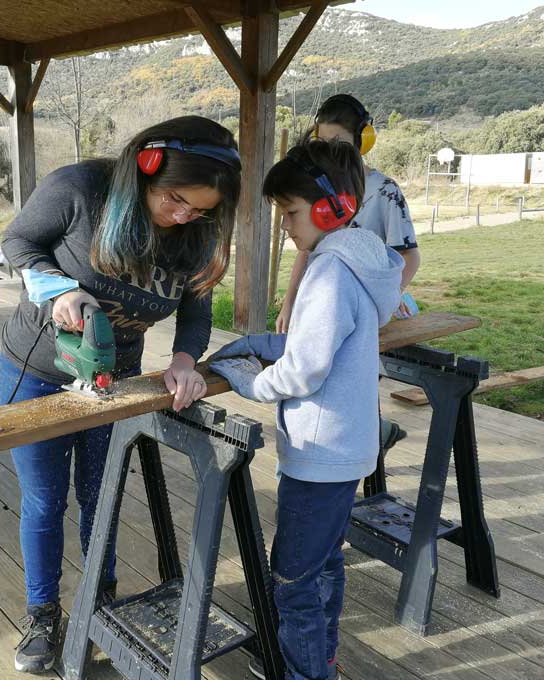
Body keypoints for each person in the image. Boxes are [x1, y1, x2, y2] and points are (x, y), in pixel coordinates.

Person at [0, 116, 241, 674]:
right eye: (176, 200)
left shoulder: (197, 230)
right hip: (36, 369)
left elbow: (196, 307)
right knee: (44, 499)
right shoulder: (80, 189)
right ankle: (43, 613)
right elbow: (19, 239)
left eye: (200, 210)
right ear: (144, 169)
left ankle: (98, 604)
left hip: (118, 377)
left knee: (100, 495)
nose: (184, 216)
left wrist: (184, 361)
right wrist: (55, 286)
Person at [209, 139, 403, 680]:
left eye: (291, 214)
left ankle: (306, 672)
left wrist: (250, 381)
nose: (286, 228)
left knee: (292, 580)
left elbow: (303, 370)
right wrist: (260, 343)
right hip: (346, 450)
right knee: (323, 565)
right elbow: (317, 342)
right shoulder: (361, 259)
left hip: (318, 457)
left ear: (329, 207)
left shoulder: (329, 272)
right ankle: (323, 658)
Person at [277, 93, 420, 333]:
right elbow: (306, 251)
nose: (328, 152)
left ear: (362, 141)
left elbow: (410, 256)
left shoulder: (385, 191)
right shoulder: (319, 186)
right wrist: (289, 303)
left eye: (338, 143)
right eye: (322, 142)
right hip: (324, 308)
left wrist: (385, 300)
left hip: (362, 315)